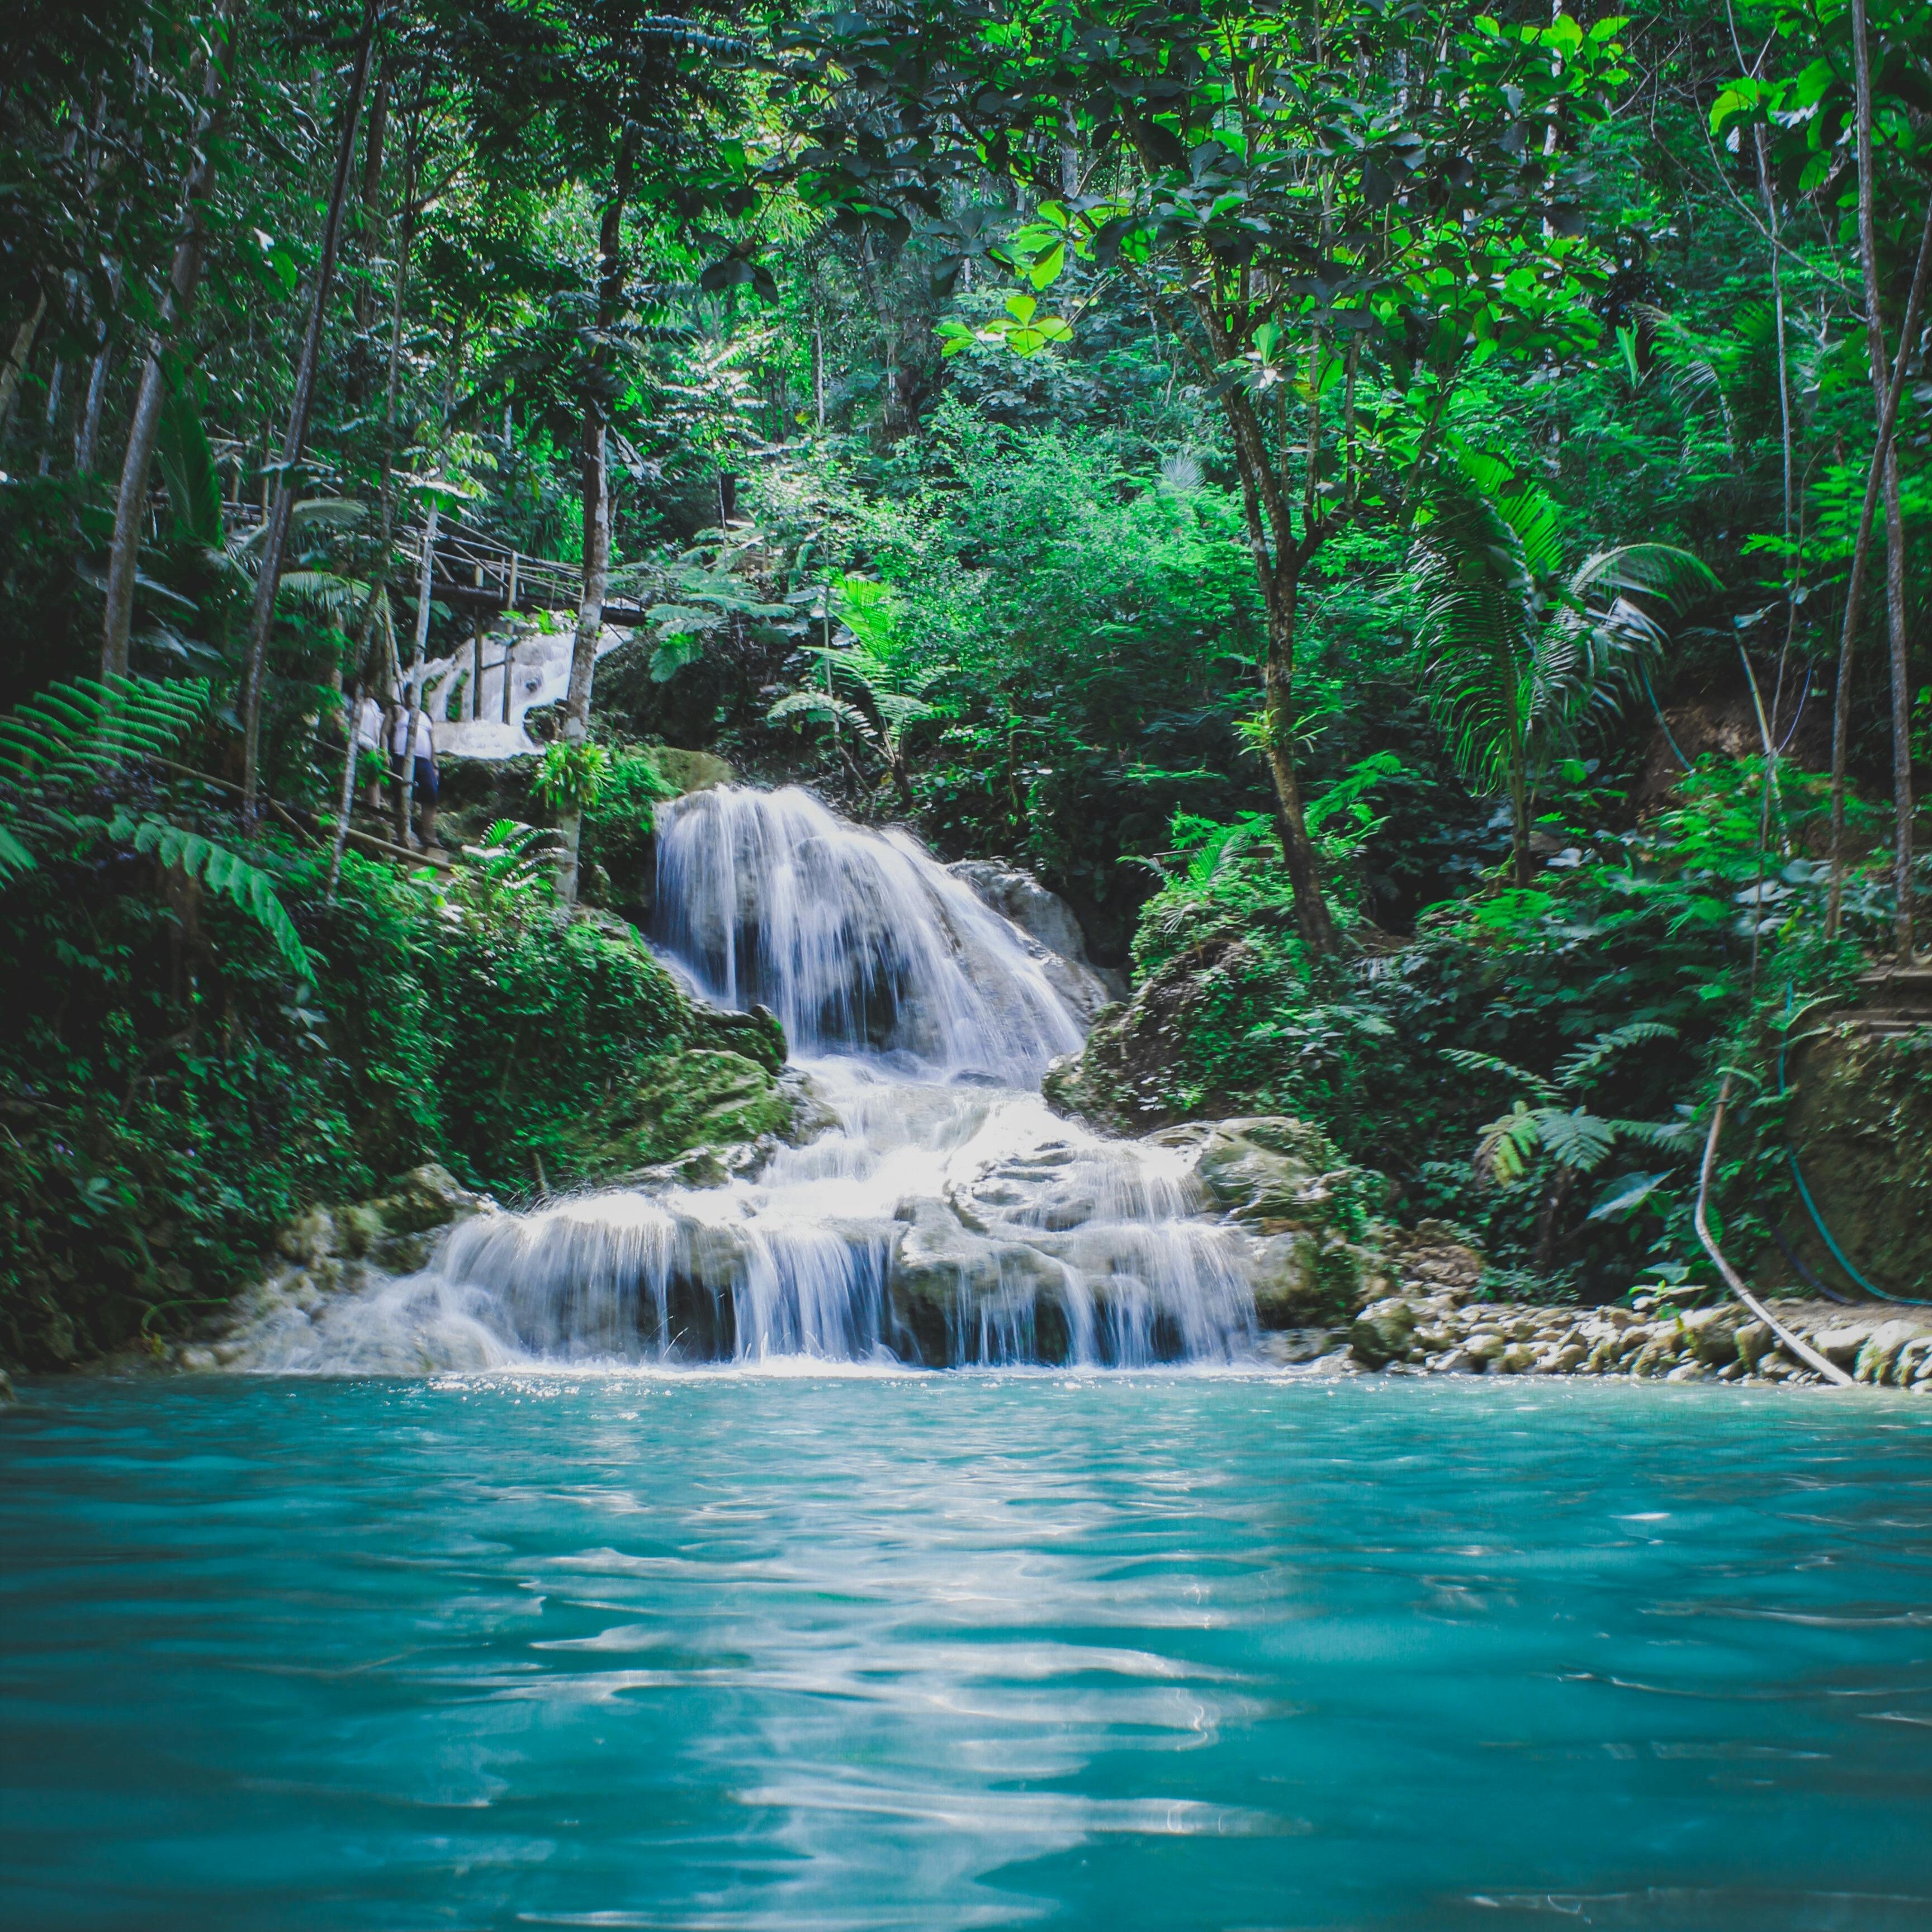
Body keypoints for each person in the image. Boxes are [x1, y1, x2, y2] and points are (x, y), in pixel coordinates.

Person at [390, 698, 440, 851]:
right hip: (402, 756)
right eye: (409, 695)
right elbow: (386, 732)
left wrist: (435, 765)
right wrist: (386, 752)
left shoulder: (426, 718)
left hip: (424, 761)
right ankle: (402, 831)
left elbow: (432, 743)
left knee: (431, 793)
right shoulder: (399, 712)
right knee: (401, 792)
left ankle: (429, 834)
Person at [354, 692, 384, 811]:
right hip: (357, 740)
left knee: (374, 774)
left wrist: (378, 749)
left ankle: (374, 808)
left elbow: (377, 728)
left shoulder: (374, 706)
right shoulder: (356, 701)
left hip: (371, 744)